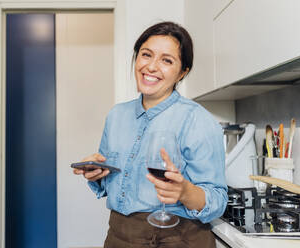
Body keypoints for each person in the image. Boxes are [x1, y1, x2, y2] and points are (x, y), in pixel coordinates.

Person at [73, 21, 227, 248]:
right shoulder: (116, 115)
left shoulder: (198, 120)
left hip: (178, 239)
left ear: (182, 72)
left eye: (167, 60)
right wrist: (97, 173)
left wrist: (184, 191)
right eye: (146, 55)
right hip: (118, 236)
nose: (152, 67)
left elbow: (218, 200)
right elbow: (116, 184)